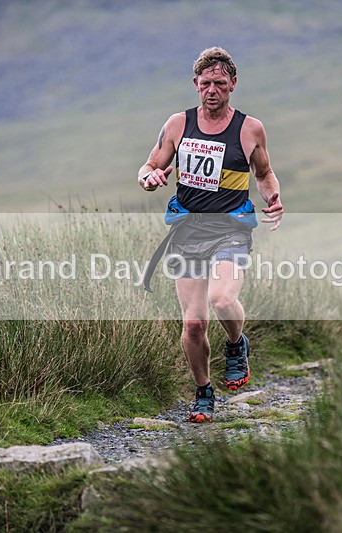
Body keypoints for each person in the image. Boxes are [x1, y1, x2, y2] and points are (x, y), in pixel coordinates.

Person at [136, 47, 283, 423]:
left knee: (221, 300)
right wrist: (149, 177)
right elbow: (150, 166)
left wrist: (272, 197)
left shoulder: (250, 129)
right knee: (194, 323)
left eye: (220, 83)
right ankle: (203, 391)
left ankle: (236, 344)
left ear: (233, 84)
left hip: (231, 230)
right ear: (196, 85)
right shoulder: (178, 125)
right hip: (187, 230)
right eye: (205, 83)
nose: (212, 90)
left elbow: (264, 174)